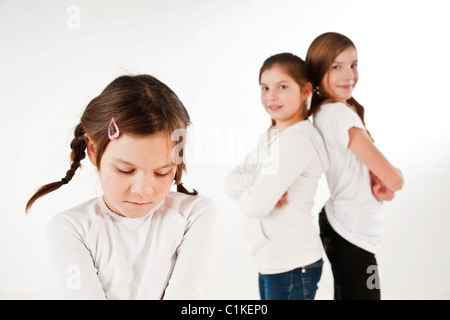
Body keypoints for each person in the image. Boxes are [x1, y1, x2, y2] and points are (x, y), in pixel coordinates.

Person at [25, 74, 220, 300]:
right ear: (93, 150)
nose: (143, 190)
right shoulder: (70, 229)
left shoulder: (195, 215)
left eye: (162, 172)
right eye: (126, 171)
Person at [305, 32, 404, 299]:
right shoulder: (338, 114)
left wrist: (384, 187)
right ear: (318, 70)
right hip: (350, 232)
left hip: (346, 227)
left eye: (353, 65)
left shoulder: (329, 112)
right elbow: (395, 181)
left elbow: (382, 184)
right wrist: (397, 177)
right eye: (336, 66)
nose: (349, 74)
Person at [226, 53, 329, 300]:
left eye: (282, 87)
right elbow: (231, 181)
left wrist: (256, 195)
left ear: (305, 91)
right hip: (273, 262)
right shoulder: (273, 135)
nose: (271, 96)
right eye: (265, 87)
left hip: (292, 264)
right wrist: (258, 188)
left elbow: (256, 205)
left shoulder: (297, 140)